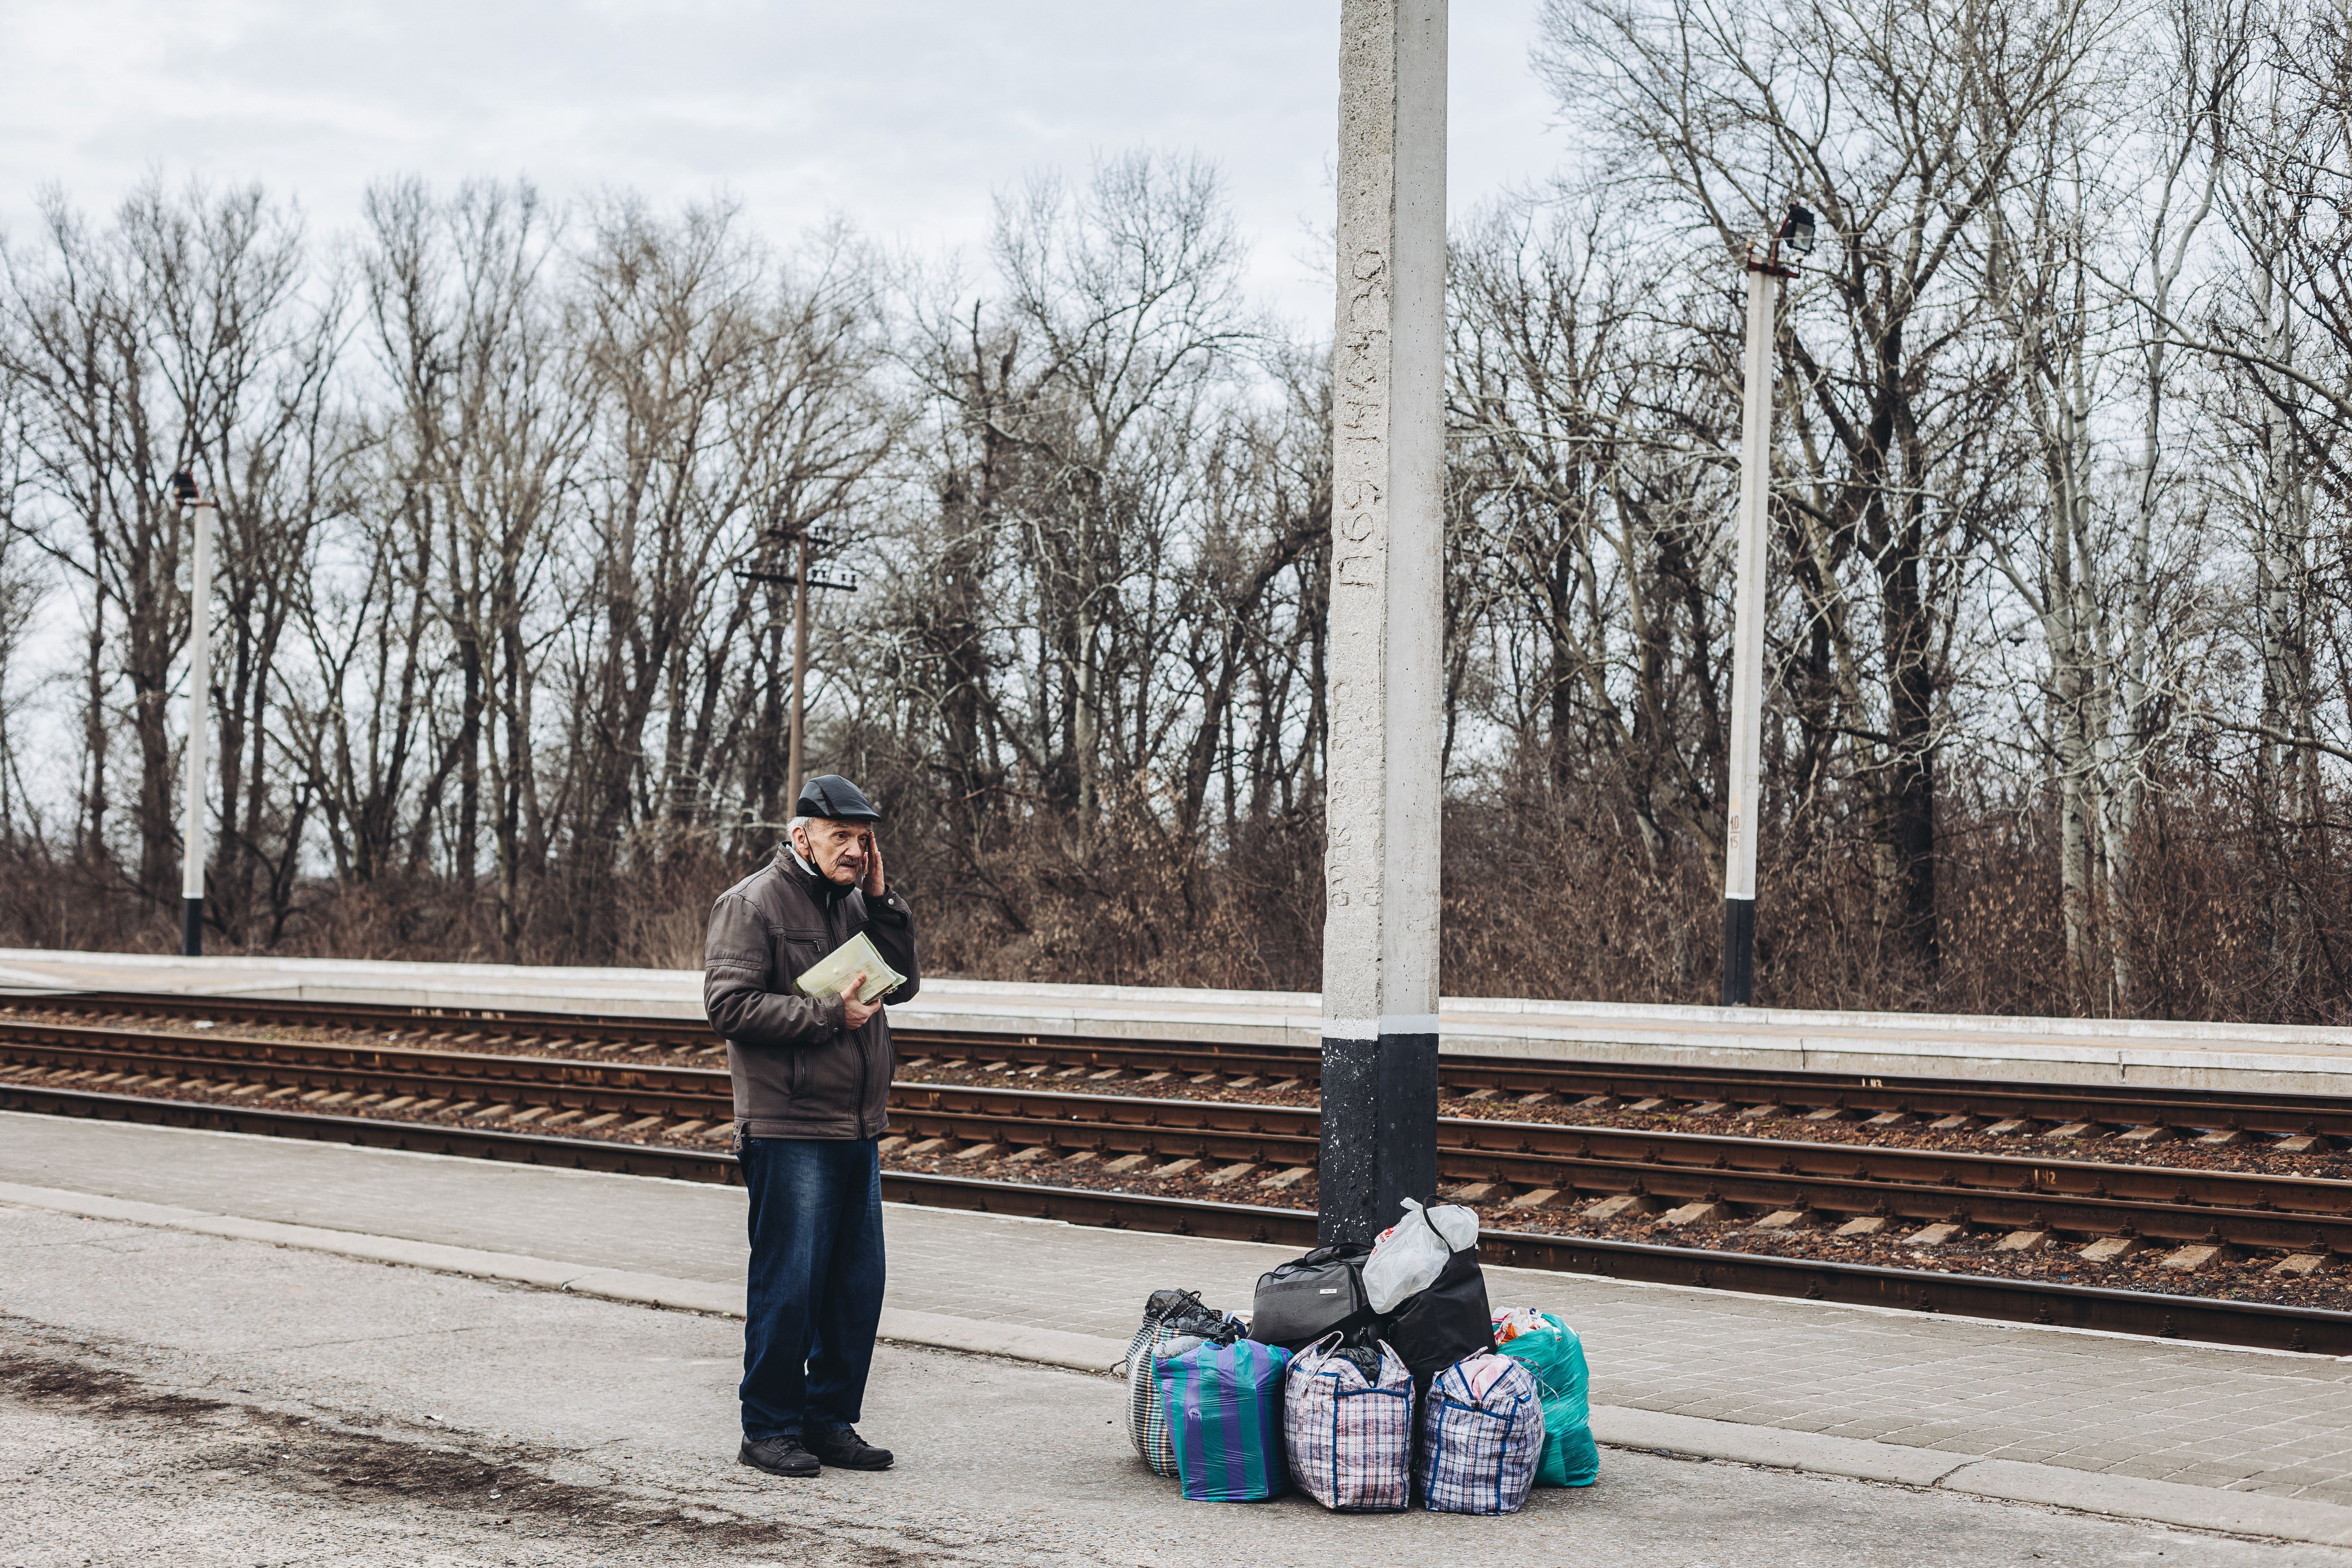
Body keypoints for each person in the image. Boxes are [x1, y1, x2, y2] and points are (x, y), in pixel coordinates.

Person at [703, 773, 921, 1479]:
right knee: (788, 1285)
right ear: (800, 836)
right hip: (787, 1126)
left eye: (863, 839)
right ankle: (767, 1428)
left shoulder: (859, 902)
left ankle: (828, 1420)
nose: (855, 850)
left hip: (856, 1126)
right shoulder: (752, 904)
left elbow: (904, 982)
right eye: (841, 838)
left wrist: (884, 903)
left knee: (855, 1287)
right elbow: (729, 1007)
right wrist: (830, 1016)